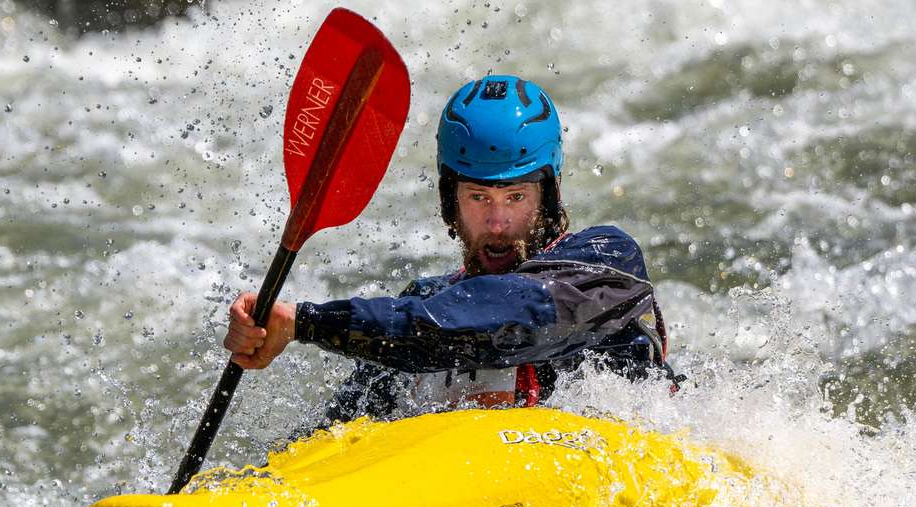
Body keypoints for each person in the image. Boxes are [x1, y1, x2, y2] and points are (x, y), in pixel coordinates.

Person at [223, 74, 678, 424]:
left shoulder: (606, 262)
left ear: (549, 194)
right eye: (478, 198)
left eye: (515, 198)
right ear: (449, 201)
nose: (497, 224)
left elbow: (507, 317)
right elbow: (336, 438)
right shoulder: (421, 308)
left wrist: (306, 322)